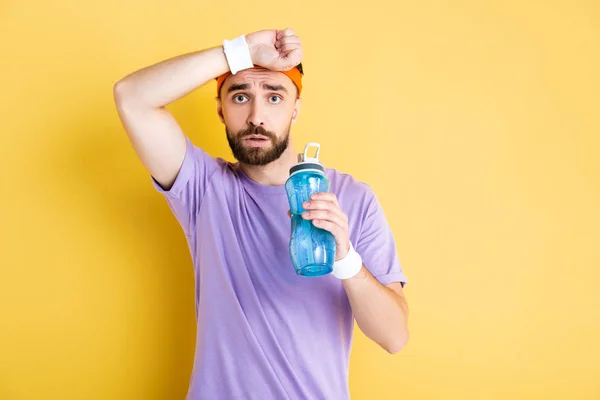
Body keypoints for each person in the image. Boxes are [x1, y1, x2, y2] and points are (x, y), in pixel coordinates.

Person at [113, 28, 409, 400]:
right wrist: (242, 51)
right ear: (221, 110)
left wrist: (346, 259)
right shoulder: (203, 188)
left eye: (274, 96)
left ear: (296, 108)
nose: (256, 116)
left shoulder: (353, 199)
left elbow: (394, 337)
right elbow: (131, 98)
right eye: (240, 96)